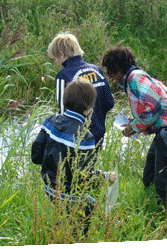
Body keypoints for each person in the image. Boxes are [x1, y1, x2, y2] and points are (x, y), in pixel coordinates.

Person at [101, 44, 167, 224]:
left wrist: (135, 126)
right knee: (149, 174)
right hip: (163, 132)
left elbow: (155, 107)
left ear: (117, 69)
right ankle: (153, 209)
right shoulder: (135, 78)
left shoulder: (135, 78)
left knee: (162, 183)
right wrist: (135, 124)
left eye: (110, 72)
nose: (111, 77)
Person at [31, 78, 115, 234]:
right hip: (68, 196)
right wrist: (105, 176)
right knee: (93, 209)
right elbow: (83, 178)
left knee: (67, 212)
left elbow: (35, 157)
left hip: (49, 188)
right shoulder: (85, 137)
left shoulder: (49, 121)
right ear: (89, 108)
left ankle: (60, 229)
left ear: (65, 99)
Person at [47, 32, 115, 150]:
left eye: (55, 58)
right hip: (98, 134)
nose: (57, 62)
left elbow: (63, 112)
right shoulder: (97, 70)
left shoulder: (63, 75)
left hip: (74, 138)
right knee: (90, 167)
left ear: (61, 54)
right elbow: (109, 103)